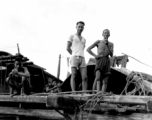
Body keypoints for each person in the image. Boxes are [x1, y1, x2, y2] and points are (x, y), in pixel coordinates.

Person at [87, 29, 114, 93]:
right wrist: (95, 55)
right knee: (97, 78)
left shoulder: (111, 44)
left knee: (105, 80)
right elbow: (88, 49)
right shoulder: (98, 42)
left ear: (109, 35)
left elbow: (111, 54)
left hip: (107, 60)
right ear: (102, 34)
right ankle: (94, 93)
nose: (106, 34)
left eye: (107, 33)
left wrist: (107, 45)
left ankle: (102, 94)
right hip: (100, 60)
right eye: (105, 33)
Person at [66, 21, 88, 91]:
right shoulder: (72, 36)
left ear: (83, 28)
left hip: (82, 57)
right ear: (76, 27)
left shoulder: (84, 39)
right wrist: (73, 55)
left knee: (84, 77)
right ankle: (74, 92)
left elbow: (82, 49)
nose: (80, 28)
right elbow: (67, 48)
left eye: (82, 27)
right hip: (74, 57)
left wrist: (79, 55)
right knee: (74, 75)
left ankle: (84, 93)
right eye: (79, 26)